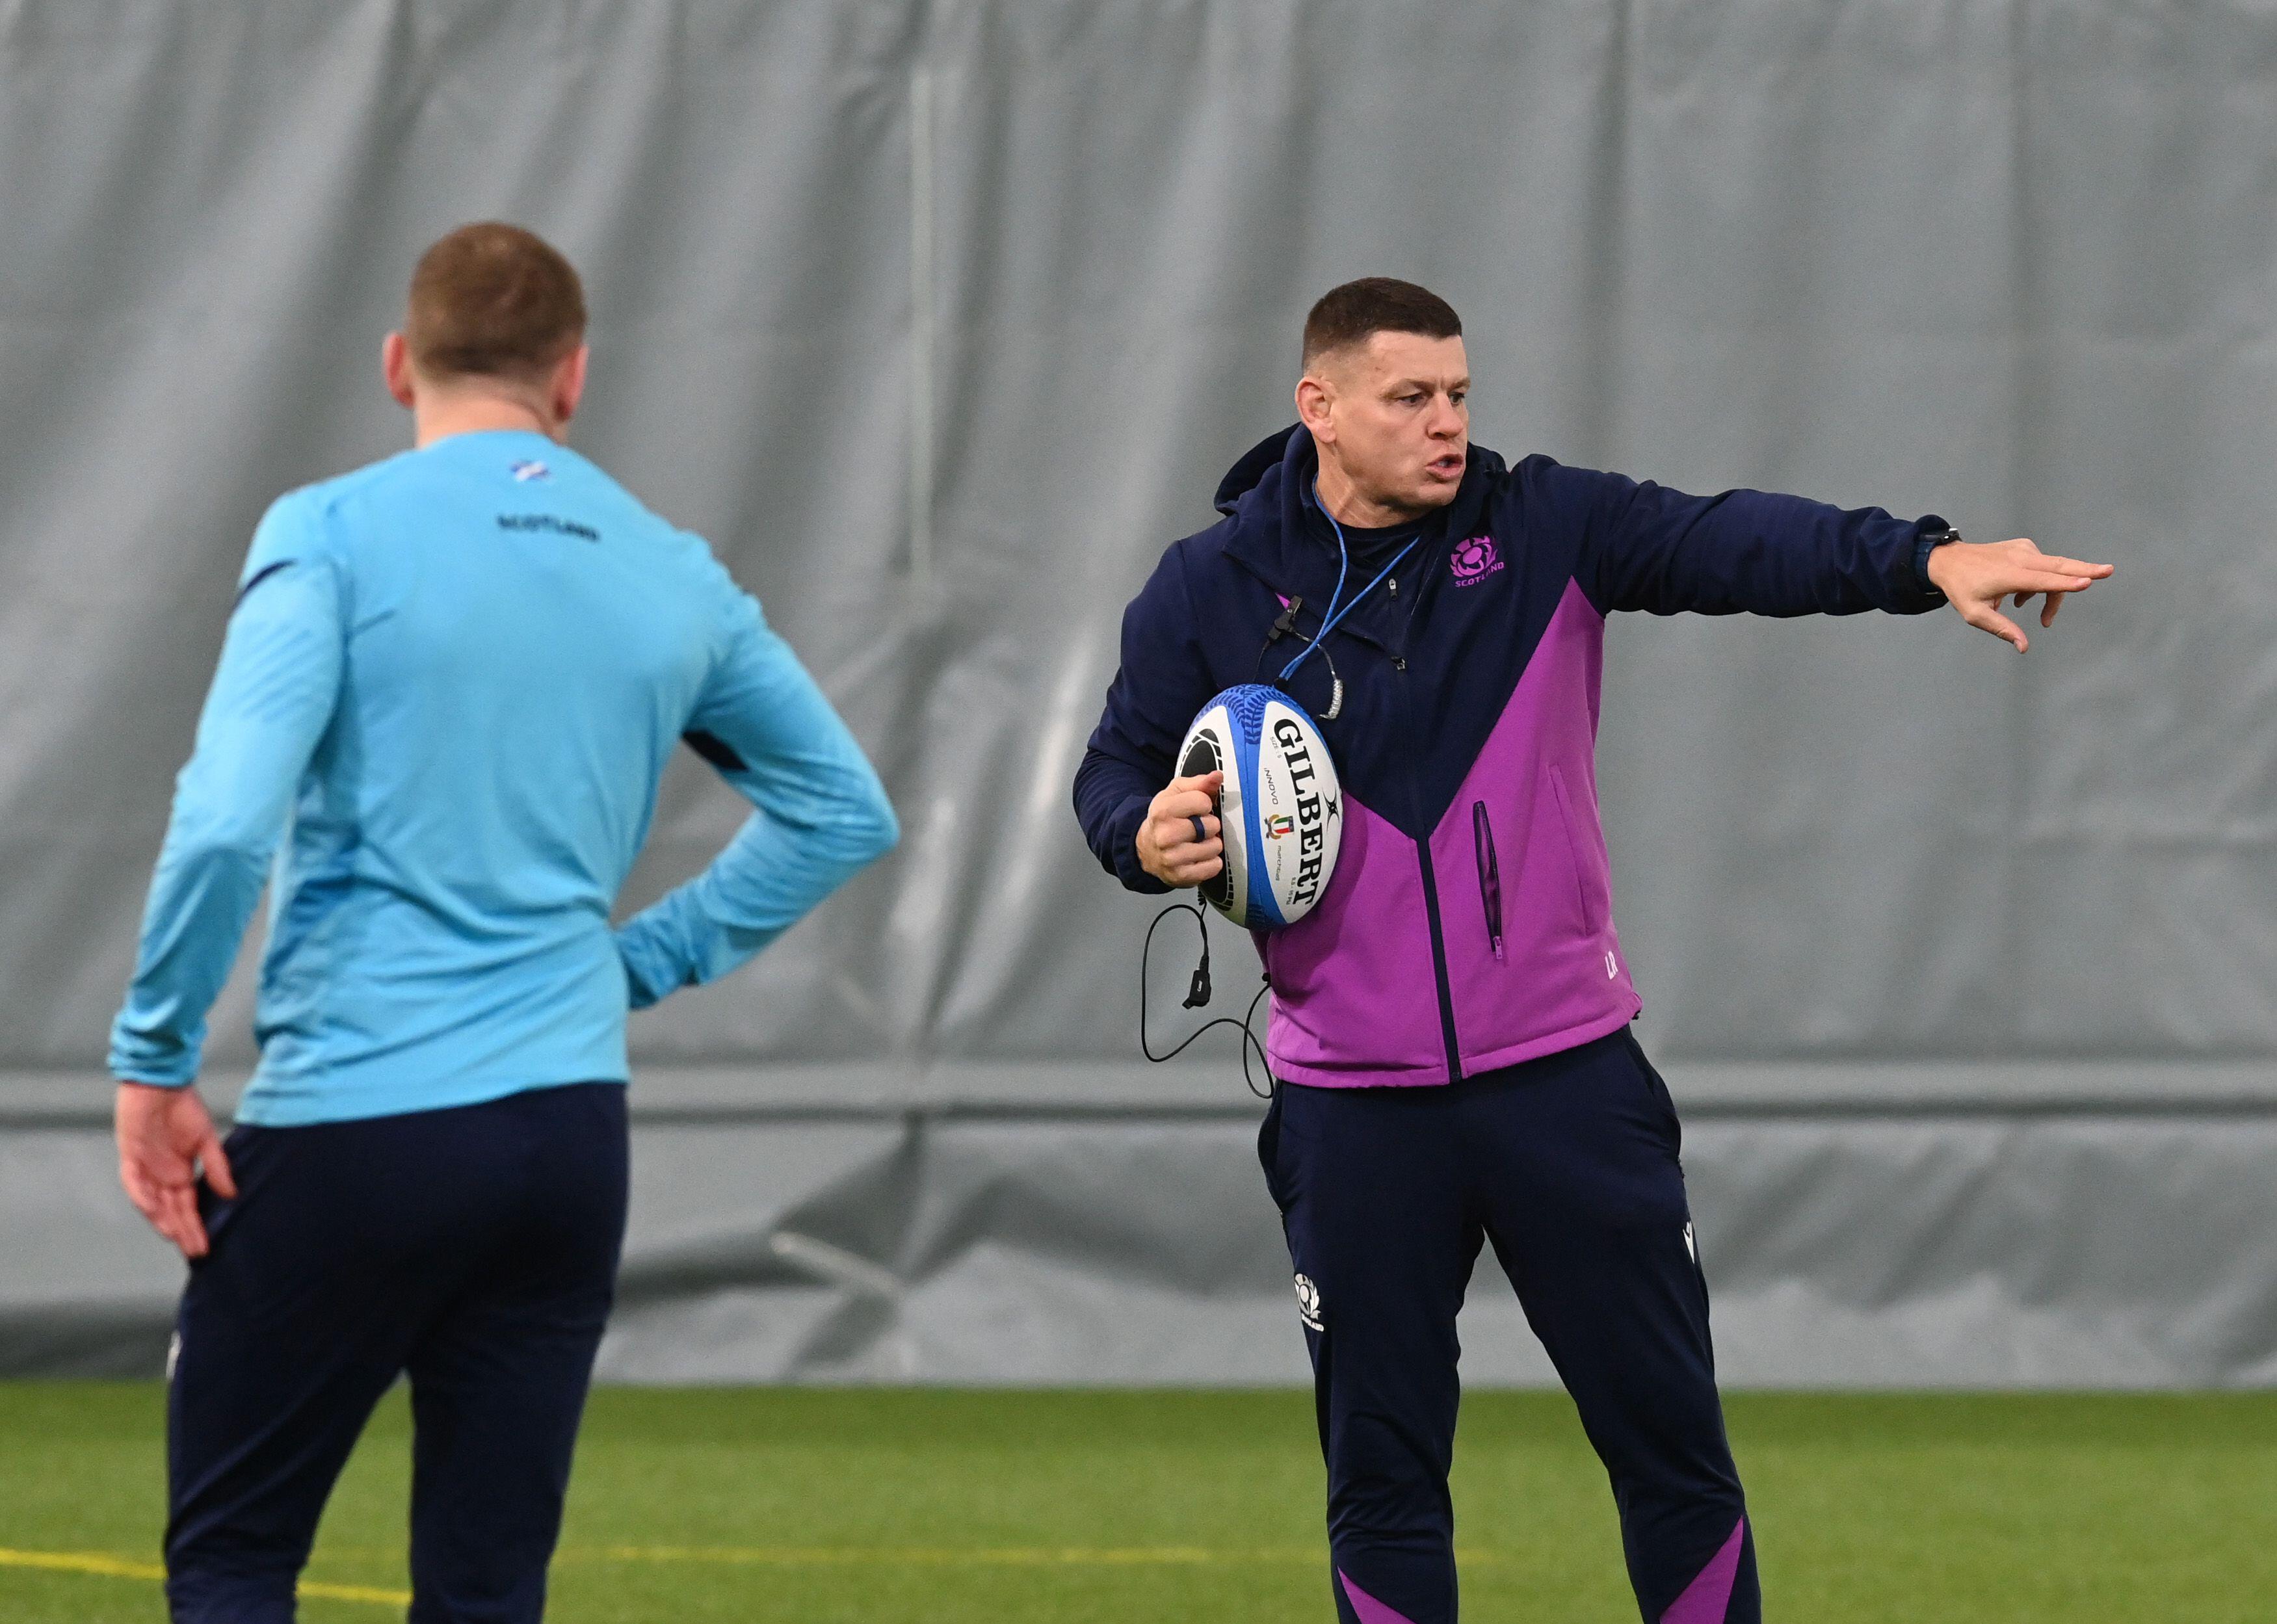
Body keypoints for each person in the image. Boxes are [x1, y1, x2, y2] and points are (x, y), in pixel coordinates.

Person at [1072, 277, 2112, 1624]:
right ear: (1317, 409)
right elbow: (1114, 770)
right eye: (1411, 398)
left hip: (1563, 1083)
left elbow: (1732, 541)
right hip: (1349, 1106)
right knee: (1381, 1484)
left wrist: (1925, 560)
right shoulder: (1204, 588)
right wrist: (1138, 832)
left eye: (1458, 395)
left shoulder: (1542, 526)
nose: (1448, 424)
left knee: (1671, 1460)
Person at [108, 222, 899, 1623]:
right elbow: (844, 811)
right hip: (566, 1143)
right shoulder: (669, 570)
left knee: (233, 1559)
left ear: (400, 363)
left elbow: (229, 819)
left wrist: (155, 1056)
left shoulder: (330, 533)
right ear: (572, 377)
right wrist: (634, 964)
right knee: (486, 1590)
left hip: (358, 1123)